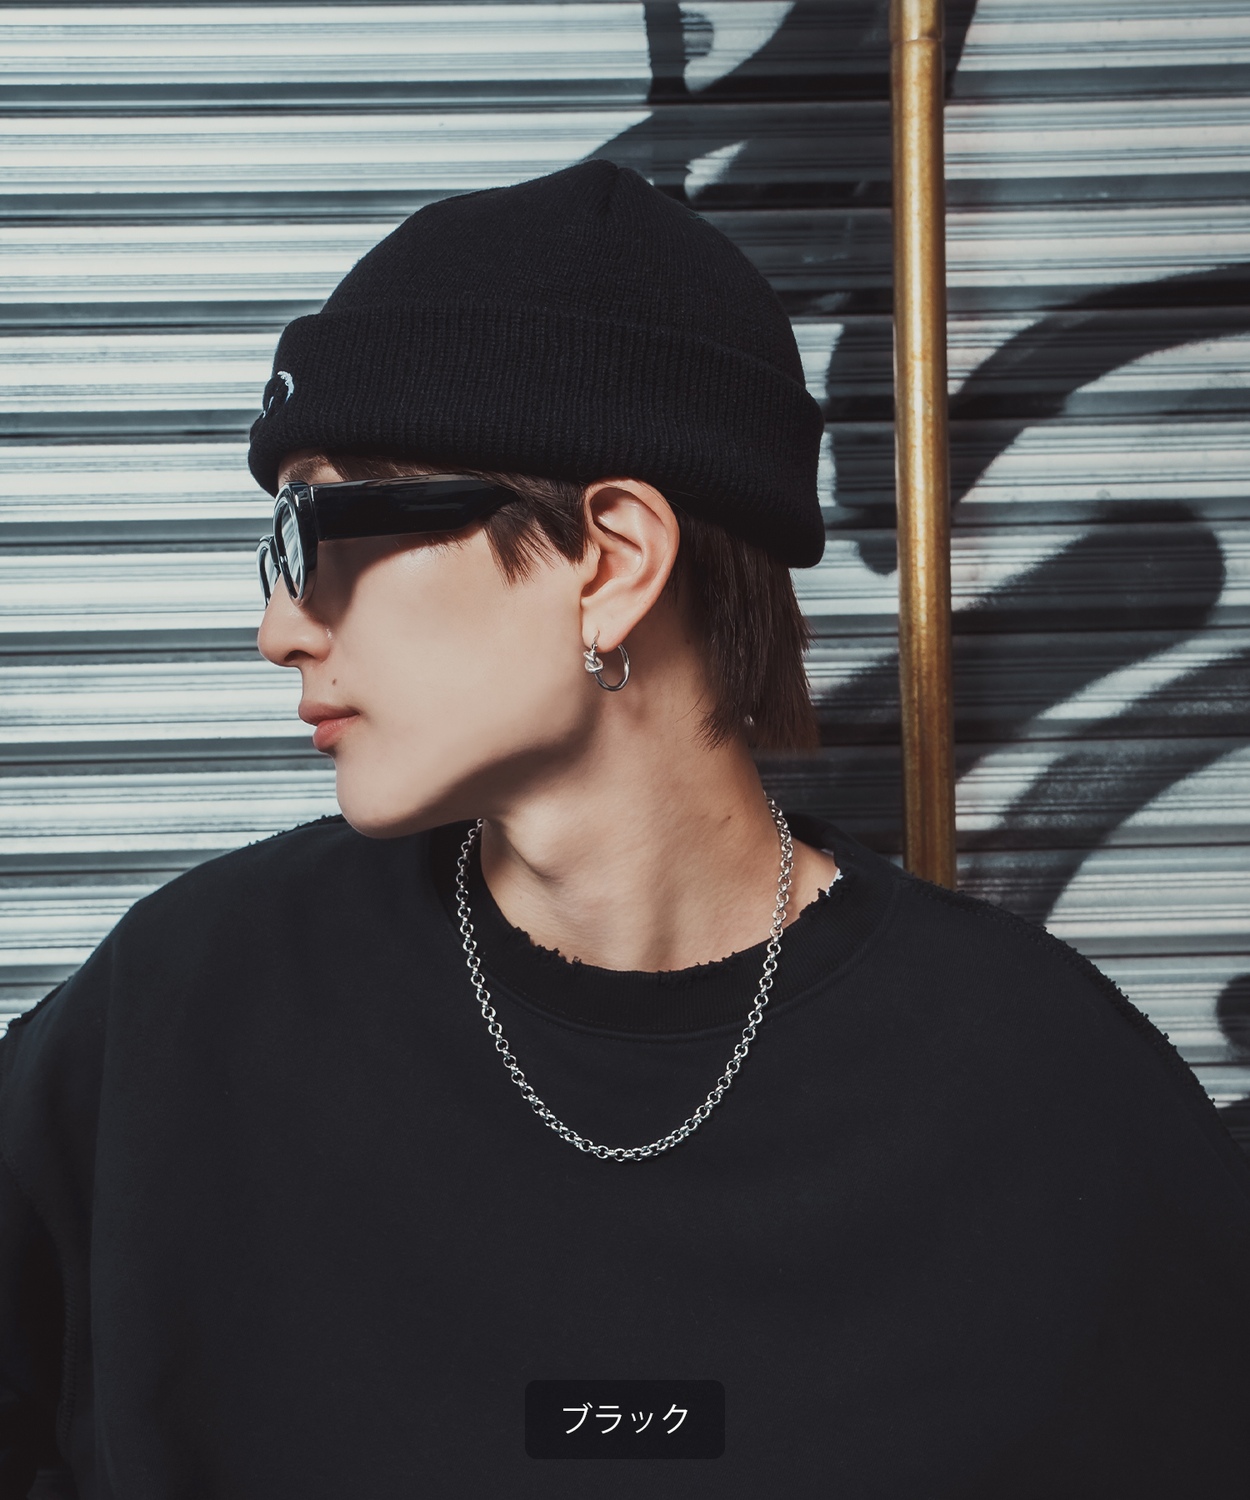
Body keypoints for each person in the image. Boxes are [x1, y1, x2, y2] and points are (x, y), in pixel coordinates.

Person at [2, 160, 1249, 1499]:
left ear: (609, 559)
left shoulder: (1046, 1094)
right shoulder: (182, 1015)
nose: (279, 627)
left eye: (327, 527)